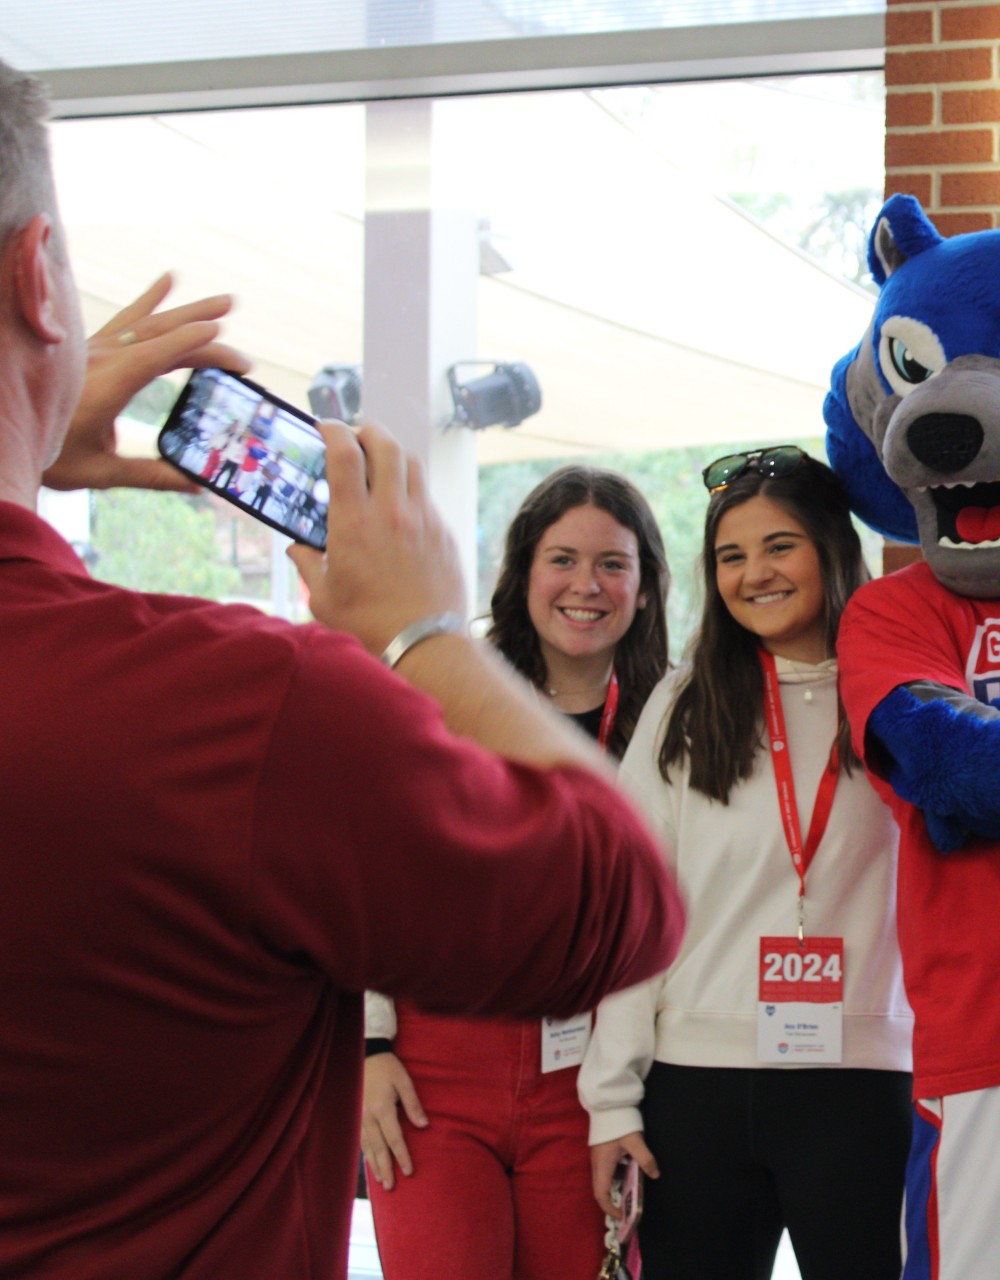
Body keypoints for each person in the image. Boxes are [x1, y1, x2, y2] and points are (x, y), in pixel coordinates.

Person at [0, 59, 684, 1277]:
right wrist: (424, 629)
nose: (587, 586)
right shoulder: (243, 709)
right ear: (35, 282)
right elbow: (614, 898)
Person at [580, 446, 913, 1280]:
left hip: (862, 1083)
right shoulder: (686, 703)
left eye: (778, 546)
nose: (753, 574)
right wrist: (611, 1099)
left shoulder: (904, 699)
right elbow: (632, 908)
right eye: (731, 555)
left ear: (834, 552)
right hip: (697, 1088)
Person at [360, 465, 673, 1279]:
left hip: (593, 1085)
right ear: (523, 575)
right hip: (434, 1076)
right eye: (562, 559)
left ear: (644, 590)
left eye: (614, 563)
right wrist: (365, 1047)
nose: (586, 585)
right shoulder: (446, 697)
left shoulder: (672, 724)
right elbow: (365, 872)